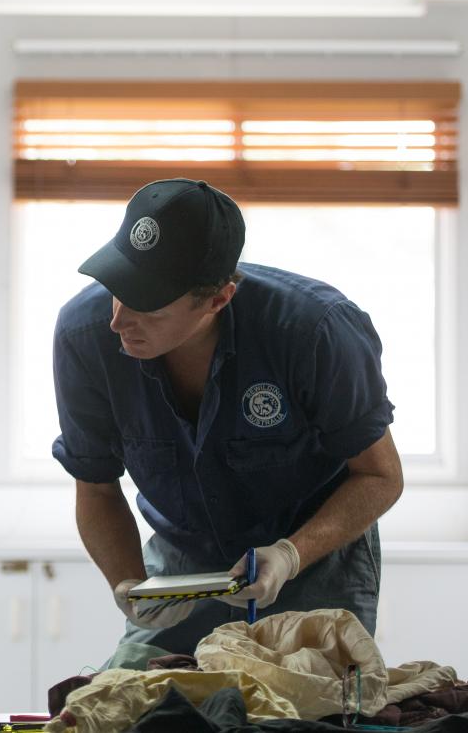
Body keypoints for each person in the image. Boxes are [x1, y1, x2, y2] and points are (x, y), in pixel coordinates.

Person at [52, 178, 404, 655]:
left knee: (303, 712)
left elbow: (380, 476)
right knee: (138, 706)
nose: (117, 319)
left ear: (218, 299)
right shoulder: (84, 336)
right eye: (117, 287)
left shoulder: (315, 332)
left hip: (314, 557)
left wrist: (289, 554)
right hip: (182, 564)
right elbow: (95, 488)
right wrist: (129, 584)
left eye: (148, 306)